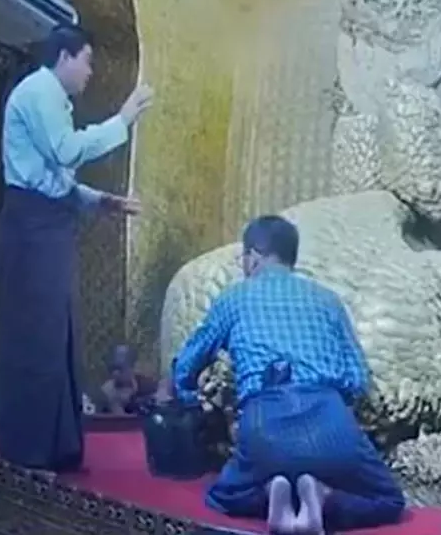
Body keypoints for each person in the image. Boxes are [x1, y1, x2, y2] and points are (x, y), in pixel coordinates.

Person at [171, 215, 404, 535]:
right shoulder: (327, 300)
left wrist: (188, 398)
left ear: (253, 256)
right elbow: (357, 378)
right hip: (330, 420)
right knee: (389, 500)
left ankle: (271, 494)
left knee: (223, 495)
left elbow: (187, 365)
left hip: (265, 423)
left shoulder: (234, 298)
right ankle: (324, 499)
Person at [0, 25, 152, 472]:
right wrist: (122, 120)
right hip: (32, 230)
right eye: (87, 61)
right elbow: (64, 153)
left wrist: (101, 201)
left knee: (55, 334)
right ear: (64, 56)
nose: (90, 72)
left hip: (44, 226)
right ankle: (28, 449)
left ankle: (54, 446)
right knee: (38, 338)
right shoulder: (40, 91)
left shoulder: (50, 97)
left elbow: (55, 178)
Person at [94, 345, 159, 415]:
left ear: (132, 368)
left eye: (120, 368)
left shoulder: (146, 385)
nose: (115, 373)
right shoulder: (105, 392)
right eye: (113, 369)